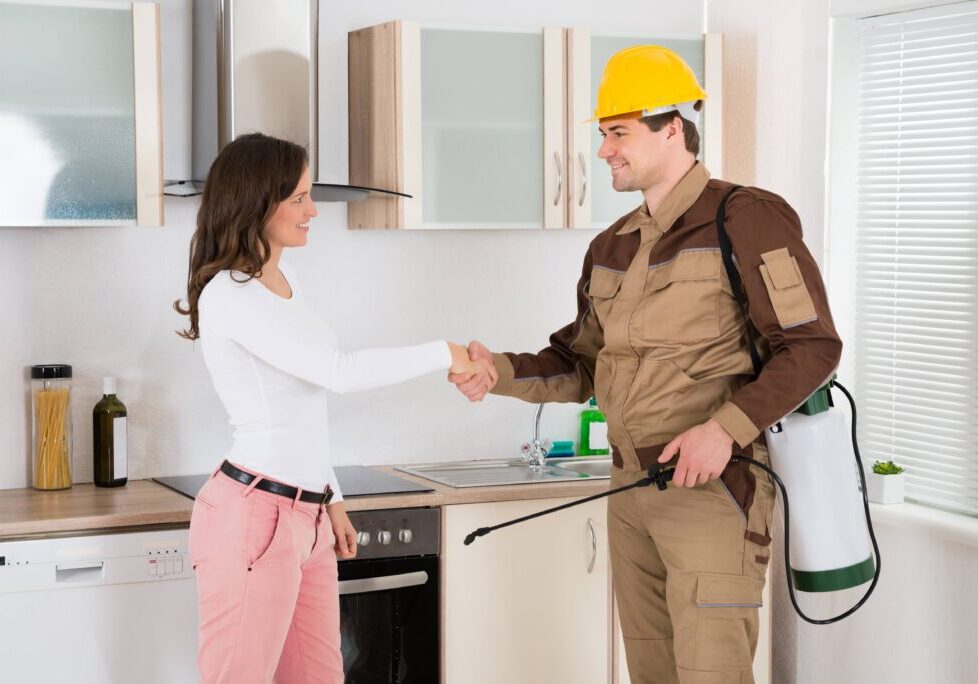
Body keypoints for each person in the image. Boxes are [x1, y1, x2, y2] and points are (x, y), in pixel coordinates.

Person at [451, 46, 842, 684]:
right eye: (603, 134)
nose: (603, 150)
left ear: (672, 129)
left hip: (713, 493)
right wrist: (495, 370)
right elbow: (578, 363)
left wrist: (725, 430)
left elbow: (813, 345)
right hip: (630, 491)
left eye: (619, 133)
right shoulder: (612, 244)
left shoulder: (744, 217)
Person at [174, 132, 495, 684]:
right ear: (257, 201)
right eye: (298, 197)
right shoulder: (228, 293)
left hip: (308, 516)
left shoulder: (285, 280)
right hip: (254, 515)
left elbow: (304, 402)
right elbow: (336, 372)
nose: (312, 210)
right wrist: (441, 351)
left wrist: (333, 499)